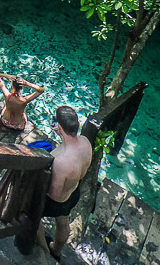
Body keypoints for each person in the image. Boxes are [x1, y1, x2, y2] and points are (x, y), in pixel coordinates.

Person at [36, 105, 92, 261]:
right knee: (63, 221)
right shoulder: (85, 142)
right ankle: (57, 250)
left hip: (56, 202)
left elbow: (53, 194)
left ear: (59, 126)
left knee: (31, 215)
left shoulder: (61, 162)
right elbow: (83, 172)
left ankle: (45, 252)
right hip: (74, 193)